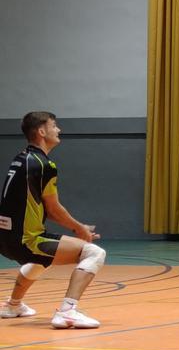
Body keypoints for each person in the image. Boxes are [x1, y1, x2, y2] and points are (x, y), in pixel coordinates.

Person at [0, 112, 106, 329]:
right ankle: (67, 312)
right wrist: (81, 228)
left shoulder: (21, 158)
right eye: (54, 126)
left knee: (43, 257)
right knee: (94, 252)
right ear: (41, 132)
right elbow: (54, 209)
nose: (59, 130)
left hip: (6, 239)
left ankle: (13, 305)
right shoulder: (44, 165)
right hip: (26, 240)